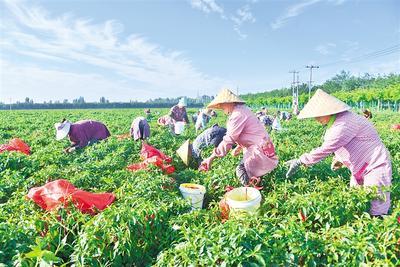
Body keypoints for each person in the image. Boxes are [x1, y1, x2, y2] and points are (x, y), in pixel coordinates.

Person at [286, 89, 392, 217]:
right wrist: (339, 159)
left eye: (319, 115)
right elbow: (346, 143)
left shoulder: (344, 123)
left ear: (329, 112)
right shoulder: (339, 121)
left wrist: (300, 161)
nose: (316, 119)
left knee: (377, 206)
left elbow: (327, 147)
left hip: (375, 165)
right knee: (356, 202)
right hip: (360, 167)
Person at [199, 89, 278, 186]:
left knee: (241, 170)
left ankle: (250, 194)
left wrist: (211, 157)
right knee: (255, 173)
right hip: (265, 145)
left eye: (222, 106)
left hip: (259, 148)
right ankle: (258, 190)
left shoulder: (238, 114)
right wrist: (239, 147)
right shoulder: (243, 110)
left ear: (229, 103)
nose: (222, 109)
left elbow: (229, 139)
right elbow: (250, 133)